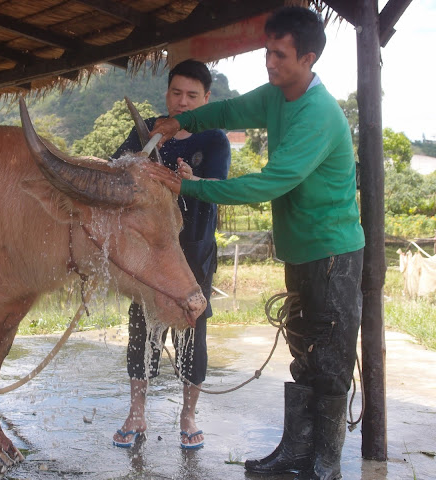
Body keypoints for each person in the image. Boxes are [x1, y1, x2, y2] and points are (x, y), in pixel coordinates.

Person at [147, 7, 364, 480]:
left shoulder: (319, 114)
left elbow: (267, 184)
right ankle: (294, 453)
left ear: (307, 58)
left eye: (279, 54)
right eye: (267, 50)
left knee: (328, 363)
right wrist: (176, 122)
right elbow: (227, 110)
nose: (269, 61)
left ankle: (325, 466)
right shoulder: (275, 95)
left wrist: (191, 187)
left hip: (333, 254)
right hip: (301, 251)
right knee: (304, 353)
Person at [111, 59, 231, 450]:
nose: (182, 102)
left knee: (193, 326)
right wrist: (140, 164)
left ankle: (188, 414)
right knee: (141, 325)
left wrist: (190, 182)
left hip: (194, 250)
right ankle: (136, 412)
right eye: (176, 93)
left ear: (206, 98)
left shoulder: (214, 140)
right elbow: (114, 171)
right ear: (167, 94)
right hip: (147, 255)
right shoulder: (146, 130)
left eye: (192, 96)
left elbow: (216, 188)